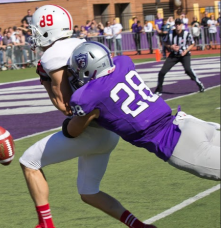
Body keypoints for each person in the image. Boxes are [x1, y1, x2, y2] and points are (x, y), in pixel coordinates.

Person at [19, 5, 156, 228]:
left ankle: (46, 224)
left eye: (36, 29)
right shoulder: (83, 43)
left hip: (88, 130)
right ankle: (139, 226)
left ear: (47, 30)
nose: (33, 34)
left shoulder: (52, 56)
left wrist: (45, 80)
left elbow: (65, 106)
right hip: (109, 130)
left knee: (29, 162)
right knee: (88, 192)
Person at [65, 41, 220, 181]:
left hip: (179, 144)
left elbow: (72, 130)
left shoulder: (89, 96)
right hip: (188, 123)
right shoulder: (123, 63)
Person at [154, 18, 205, 95]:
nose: (178, 26)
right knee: (162, 72)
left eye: (179, 24)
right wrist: (171, 46)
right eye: (176, 24)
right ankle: (159, 90)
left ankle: (199, 83)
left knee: (188, 70)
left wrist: (186, 50)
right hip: (173, 55)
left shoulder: (186, 34)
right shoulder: (170, 33)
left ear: (182, 25)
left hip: (184, 54)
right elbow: (164, 41)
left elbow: (192, 43)